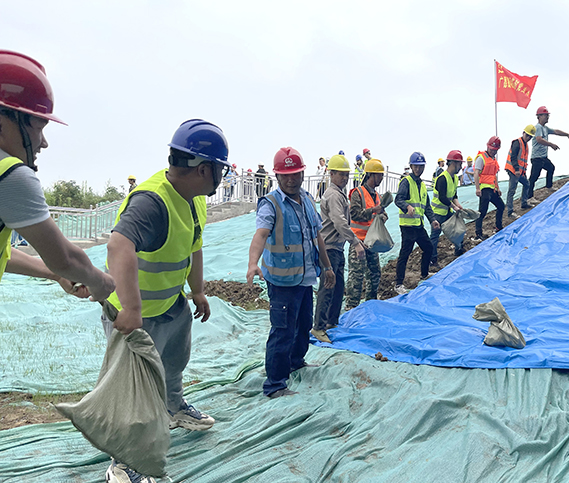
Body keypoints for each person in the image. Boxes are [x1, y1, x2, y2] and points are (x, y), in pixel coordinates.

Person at [102, 119, 228, 483]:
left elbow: (194, 247)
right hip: (135, 317)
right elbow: (118, 245)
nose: (221, 177)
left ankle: (174, 409)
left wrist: (198, 291)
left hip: (171, 305)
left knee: (173, 365)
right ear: (203, 169)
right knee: (136, 391)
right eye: (219, 169)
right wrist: (131, 309)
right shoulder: (152, 201)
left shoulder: (193, 198)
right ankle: (124, 463)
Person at [0, 49, 115, 301]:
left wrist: (54, 273)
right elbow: (64, 258)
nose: (43, 143)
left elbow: (3, 253)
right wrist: (99, 280)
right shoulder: (9, 175)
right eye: (38, 128)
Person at [246, 147, 334, 399]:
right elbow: (261, 234)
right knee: (282, 331)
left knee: (304, 324)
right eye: (286, 175)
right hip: (282, 282)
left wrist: (327, 267)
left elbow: (318, 235)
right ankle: (275, 384)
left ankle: (296, 361)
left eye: (295, 173)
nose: (291, 179)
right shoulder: (271, 205)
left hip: (305, 278)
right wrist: (253, 263)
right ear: (277, 177)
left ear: (303, 173)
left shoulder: (307, 200)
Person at [311, 155, 365, 344]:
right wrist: (355, 241)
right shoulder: (333, 195)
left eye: (346, 174)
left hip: (336, 247)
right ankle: (318, 326)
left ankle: (331, 321)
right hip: (329, 247)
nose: (344, 178)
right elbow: (339, 222)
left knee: (338, 285)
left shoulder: (339, 193)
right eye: (340, 174)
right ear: (331, 174)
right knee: (328, 286)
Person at [394, 152, 439, 294]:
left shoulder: (423, 186)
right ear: (411, 166)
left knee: (428, 248)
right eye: (416, 166)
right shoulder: (406, 182)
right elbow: (398, 199)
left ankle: (424, 274)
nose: (418, 169)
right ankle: (398, 284)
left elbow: (426, 206)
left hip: (418, 225)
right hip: (407, 226)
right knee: (405, 254)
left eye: (421, 167)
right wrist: (407, 207)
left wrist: (433, 220)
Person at [345, 158, 386, 310]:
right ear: (371, 175)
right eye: (379, 175)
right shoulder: (358, 193)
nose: (381, 178)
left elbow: (384, 215)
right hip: (359, 241)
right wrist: (374, 211)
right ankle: (351, 307)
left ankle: (370, 304)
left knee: (375, 273)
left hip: (372, 242)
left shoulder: (377, 196)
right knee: (356, 276)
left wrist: (382, 216)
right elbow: (354, 214)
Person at [528, 106, 569, 199]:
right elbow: (539, 139)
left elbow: (556, 131)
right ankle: (529, 197)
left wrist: (567, 134)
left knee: (551, 167)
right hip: (537, 158)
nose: (547, 117)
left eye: (547, 116)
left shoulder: (545, 128)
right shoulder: (538, 127)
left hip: (543, 157)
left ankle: (549, 187)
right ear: (539, 116)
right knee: (534, 177)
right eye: (545, 115)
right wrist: (551, 144)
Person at [430, 150, 465, 269]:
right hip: (438, 213)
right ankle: (432, 260)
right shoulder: (442, 178)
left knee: (457, 229)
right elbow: (442, 197)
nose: (460, 167)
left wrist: (458, 204)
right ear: (452, 163)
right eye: (459, 164)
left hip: (448, 211)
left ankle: (458, 249)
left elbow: (453, 194)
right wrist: (454, 207)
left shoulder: (454, 178)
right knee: (435, 236)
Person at [471, 136, 504, 241]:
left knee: (501, 206)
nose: (493, 151)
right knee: (482, 211)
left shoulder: (494, 160)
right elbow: (476, 173)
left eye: (495, 150)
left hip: (492, 189)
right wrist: (477, 188)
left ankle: (498, 227)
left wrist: (497, 188)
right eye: (492, 149)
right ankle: (478, 234)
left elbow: (494, 175)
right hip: (484, 188)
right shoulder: (481, 158)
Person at [505, 125, 535, 219]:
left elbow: (523, 160)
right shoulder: (517, 143)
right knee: (512, 190)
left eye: (530, 136)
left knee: (527, 184)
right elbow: (513, 157)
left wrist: (523, 171)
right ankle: (510, 212)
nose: (529, 138)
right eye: (528, 135)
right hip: (513, 170)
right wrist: (517, 169)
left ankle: (524, 203)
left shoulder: (525, 145)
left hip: (520, 171)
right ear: (523, 133)